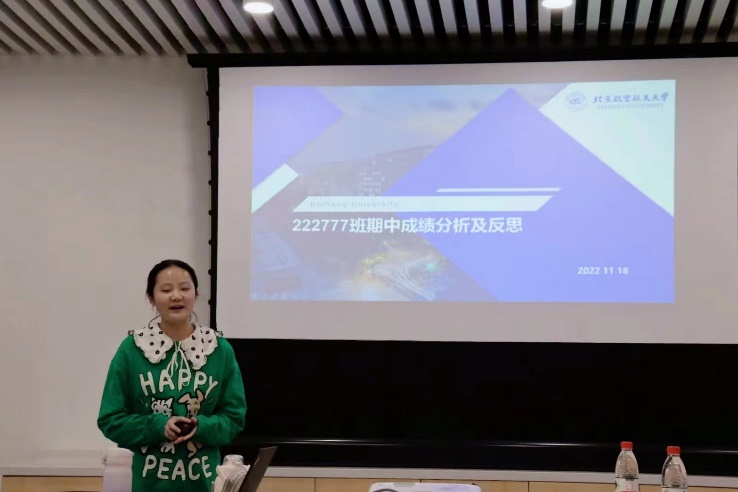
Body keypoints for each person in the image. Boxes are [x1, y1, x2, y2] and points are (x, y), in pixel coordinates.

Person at [98, 259, 247, 492]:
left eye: (185, 288)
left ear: (196, 295)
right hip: (145, 485)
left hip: (203, 484)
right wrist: (158, 426)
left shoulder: (219, 349)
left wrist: (201, 426)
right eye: (166, 290)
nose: (176, 296)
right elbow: (110, 420)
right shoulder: (131, 349)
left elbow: (234, 418)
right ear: (151, 298)